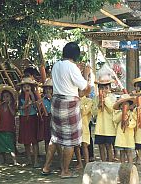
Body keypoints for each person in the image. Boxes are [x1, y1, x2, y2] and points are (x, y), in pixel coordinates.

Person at [42, 42, 91, 178]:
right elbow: (85, 88)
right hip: (69, 102)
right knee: (70, 140)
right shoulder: (72, 67)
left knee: (55, 137)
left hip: (56, 101)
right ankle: (65, 171)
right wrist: (86, 75)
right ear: (76, 55)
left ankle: (46, 167)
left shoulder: (56, 65)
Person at [0, 85, 18, 165]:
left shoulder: (13, 105)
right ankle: (4, 159)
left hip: (9, 128)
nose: (5, 98)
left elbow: (13, 114)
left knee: (10, 145)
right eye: (4, 97)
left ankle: (14, 161)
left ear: (11, 98)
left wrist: (9, 106)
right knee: (0, 145)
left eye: (7, 96)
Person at [17, 77, 40, 168]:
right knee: (26, 141)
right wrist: (25, 105)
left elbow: (37, 106)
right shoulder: (20, 97)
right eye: (24, 87)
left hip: (32, 117)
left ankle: (36, 161)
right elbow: (19, 108)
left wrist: (32, 97)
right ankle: (29, 160)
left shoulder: (34, 95)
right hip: (24, 118)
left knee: (34, 140)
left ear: (31, 87)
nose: (26, 88)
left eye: (28, 87)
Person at [94, 75, 117, 162]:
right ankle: (103, 162)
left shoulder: (112, 97)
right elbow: (93, 114)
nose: (103, 90)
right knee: (101, 146)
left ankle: (110, 162)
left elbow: (112, 110)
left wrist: (105, 100)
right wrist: (98, 105)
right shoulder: (96, 99)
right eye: (101, 88)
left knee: (108, 145)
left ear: (109, 88)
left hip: (109, 127)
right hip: (100, 128)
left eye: (106, 88)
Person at [113, 94, 137, 164]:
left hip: (129, 137)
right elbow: (115, 120)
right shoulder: (118, 113)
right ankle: (122, 167)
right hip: (120, 136)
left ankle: (130, 167)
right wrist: (122, 114)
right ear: (120, 106)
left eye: (126, 104)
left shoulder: (132, 114)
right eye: (122, 104)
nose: (124, 106)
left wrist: (128, 123)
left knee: (129, 153)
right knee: (122, 153)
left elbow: (134, 123)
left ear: (129, 105)